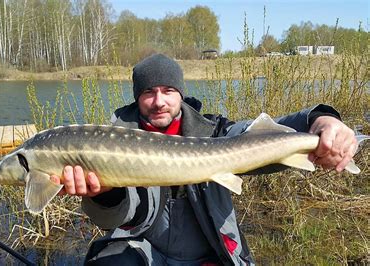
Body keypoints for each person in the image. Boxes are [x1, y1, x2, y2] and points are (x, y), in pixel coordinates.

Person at [50, 53, 357, 265]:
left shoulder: (214, 132)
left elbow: (259, 132)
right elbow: (117, 221)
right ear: (137, 97)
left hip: (210, 253)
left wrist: (320, 121)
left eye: (168, 90)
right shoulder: (115, 143)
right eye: (148, 92)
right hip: (144, 251)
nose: (159, 101)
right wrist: (105, 194)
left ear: (180, 93)